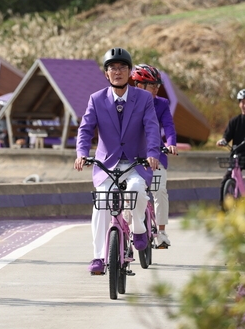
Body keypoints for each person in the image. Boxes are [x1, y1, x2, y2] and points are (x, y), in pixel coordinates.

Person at [74, 47, 161, 274]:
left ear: (130, 72)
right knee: (101, 204)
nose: (117, 71)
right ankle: (98, 257)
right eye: (112, 68)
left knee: (137, 191)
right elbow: (85, 129)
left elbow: (152, 127)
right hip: (107, 164)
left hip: (136, 162)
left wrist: (153, 153)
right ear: (106, 74)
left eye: (122, 67)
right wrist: (81, 153)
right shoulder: (96, 99)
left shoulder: (143, 98)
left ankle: (140, 228)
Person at [131, 64, 177, 248]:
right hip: (132, 157)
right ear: (139, 86)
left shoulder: (161, 104)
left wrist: (171, 143)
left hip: (155, 155)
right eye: (152, 85)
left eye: (158, 86)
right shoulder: (127, 103)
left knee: (160, 190)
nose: (157, 89)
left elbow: (169, 127)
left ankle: (161, 232)